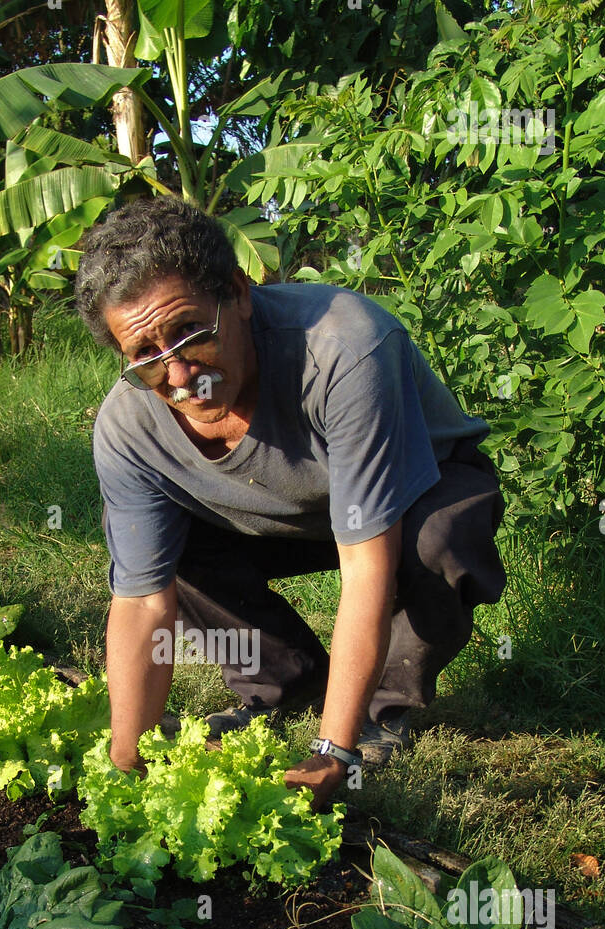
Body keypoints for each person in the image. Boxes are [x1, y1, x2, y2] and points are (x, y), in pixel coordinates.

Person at [74, 198, 506, 810]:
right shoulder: (128, 426)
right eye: (145, 355)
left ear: (239, 294)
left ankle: (380, 710)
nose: (177, 375)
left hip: (412, 497)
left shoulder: (343, 348)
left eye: (190, 332)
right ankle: (279, 680)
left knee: (439, 538)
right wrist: (125, 759)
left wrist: (335, 748)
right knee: (162, 549)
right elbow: (142, 600)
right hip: (277, 516)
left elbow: (364, 564)